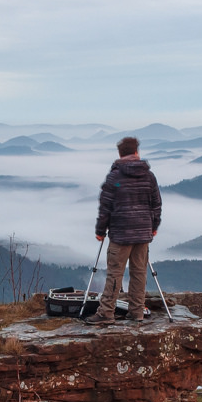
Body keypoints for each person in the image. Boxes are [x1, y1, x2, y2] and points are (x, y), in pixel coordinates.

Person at [86, 136, 162, 325]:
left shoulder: (115, 177)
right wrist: (153, 226)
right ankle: (137, 312)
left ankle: (106, 313)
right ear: (136, 152)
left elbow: (106, 206)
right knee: (139, 273)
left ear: (120, 154)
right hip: (143, 232)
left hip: (120, 234)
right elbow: (156, 204)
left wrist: (100, 230)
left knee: (115, 273)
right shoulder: (149, 176)